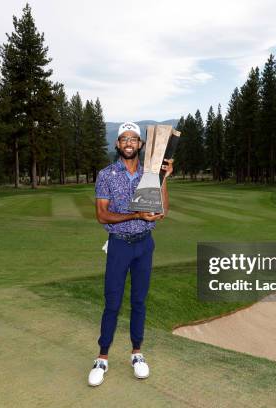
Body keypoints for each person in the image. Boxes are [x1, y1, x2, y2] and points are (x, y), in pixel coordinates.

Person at [88, 121, 173, 387]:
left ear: (141, 145)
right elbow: (102, 215)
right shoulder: (106, 174)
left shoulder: (150, 173)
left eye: (133, 139)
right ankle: (102, 358)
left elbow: (163, 209)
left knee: (139, 301)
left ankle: (137, 353)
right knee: (112, 302)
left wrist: (163, 179)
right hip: (119, 245)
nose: (128, 143)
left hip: (144, 245)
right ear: (117, 144)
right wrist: (136, 213)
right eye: (123, 139)